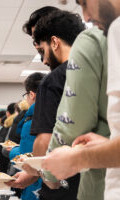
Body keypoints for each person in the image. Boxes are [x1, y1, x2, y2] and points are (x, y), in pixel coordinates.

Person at [42, 1, 120, 200]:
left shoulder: (98, 37)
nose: (85, 16)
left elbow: (73, 120)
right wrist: (106, 143)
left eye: (84, 2)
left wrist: (77, 159)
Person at [12, 9, 85, 200]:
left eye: (41, 50)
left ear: (54, 41)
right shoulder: (100, 74)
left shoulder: (53, 81)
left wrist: (38, 170)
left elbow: (44, 140)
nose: (43, 60)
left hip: (62, 187)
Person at [8, 73, 45, 200]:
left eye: (26, 96)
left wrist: (13, 151)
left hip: (34, 185)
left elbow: (28, 156)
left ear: (32, 95)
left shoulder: (31, 120)